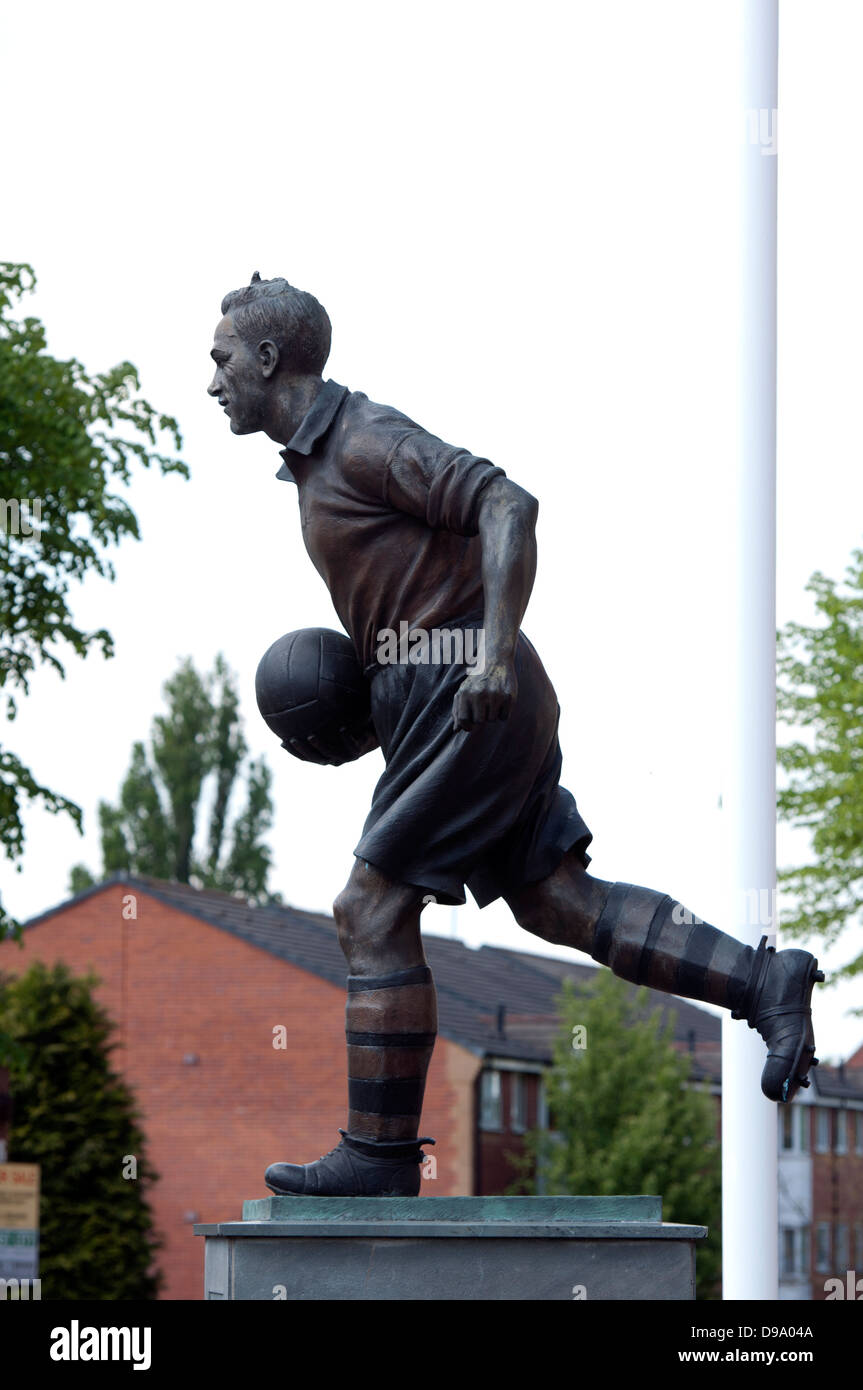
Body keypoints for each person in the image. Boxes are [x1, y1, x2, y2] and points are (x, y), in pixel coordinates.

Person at [209, 273, 823, 1198]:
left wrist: (488, 656)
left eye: (219, 361)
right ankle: (763, 982)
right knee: (554, 900)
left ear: (267, 359)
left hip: (469, 692)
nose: (211, 383)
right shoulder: (317, 461)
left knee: (367, 910)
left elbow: (509, 504)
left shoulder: (365, 439)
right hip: (448, 694)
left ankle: (377, 1160)